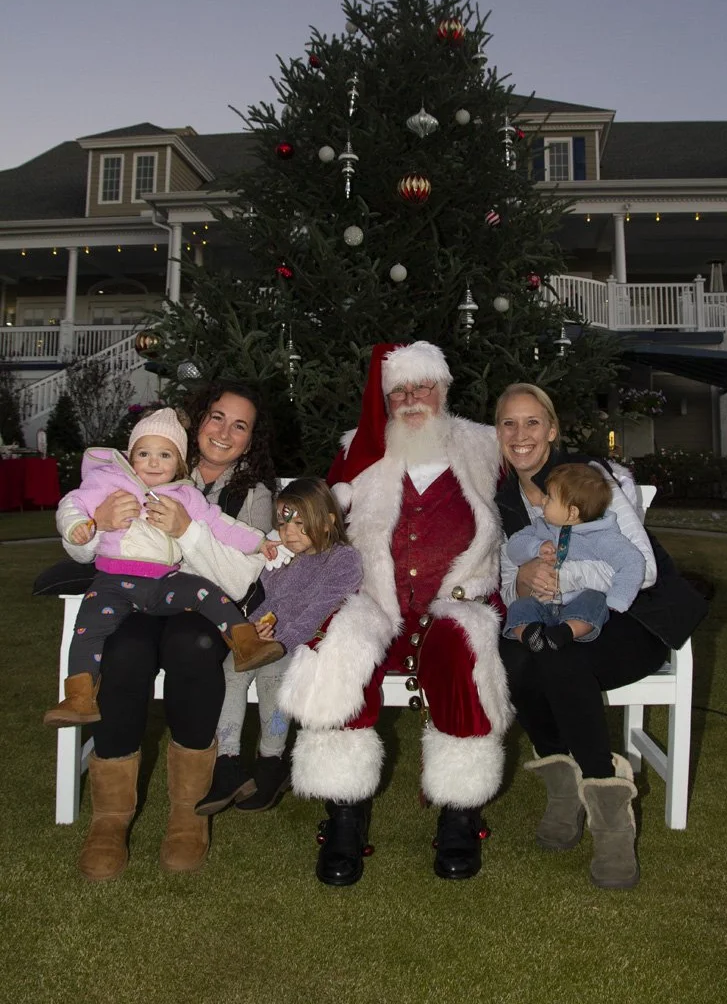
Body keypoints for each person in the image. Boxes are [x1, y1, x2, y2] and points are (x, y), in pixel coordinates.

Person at [278, 341, 510, 887]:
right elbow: (317, 520)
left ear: (443, 389)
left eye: (422, 386)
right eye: (399, 390)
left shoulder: (484, 446)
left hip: (456, 601)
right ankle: (343, 814)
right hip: (375, 598)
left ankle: (460, 813)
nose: (411, 398)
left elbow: (537, 492)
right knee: (339, 648)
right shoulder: (360, 452)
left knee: (463, 652)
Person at [55, 381, 277, 880]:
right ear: (196, 422)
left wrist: (187, 531)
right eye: (217, 417)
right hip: (129, 599)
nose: (224, 432)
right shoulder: (143, 465)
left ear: (250, 438)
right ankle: (110, 820)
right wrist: (95, 528)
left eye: (240, 425)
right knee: (125, 653)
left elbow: (241, 576)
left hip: (198, 611)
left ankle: (186, 816)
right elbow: (86, 539)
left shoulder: (254, 493)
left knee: (194, 648)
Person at [495, 382, 706, 891]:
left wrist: (565, 577)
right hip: (551, 617)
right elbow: (505, 576)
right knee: (513, 657)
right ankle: (564, 789)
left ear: (551, 429)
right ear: (497, 433)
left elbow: (644, 569)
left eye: (532, 422)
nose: (520, 435)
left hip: (633, 616)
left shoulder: (591, 478)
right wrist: (524, 579)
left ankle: (611, 822)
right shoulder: (499, 498)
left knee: (561, 661)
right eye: (508, 423)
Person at [46, 409, 279, 728]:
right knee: (88, 627)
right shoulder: (109, 483)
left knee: (206, 593)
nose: (153, 462)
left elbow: (219, 524)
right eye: (144, 453)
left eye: (164, 454)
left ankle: (245, 642)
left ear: (180, 464)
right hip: (112, 581)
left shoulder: (185, 495)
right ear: (130, 457)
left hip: (162, 582)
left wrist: (256, 542)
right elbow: (73, 503)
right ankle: (79, 696)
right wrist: (83, 525)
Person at [196, 477, 363, 816]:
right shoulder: (284, 559)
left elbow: (318, 611)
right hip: (270, 639)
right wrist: (253, 627)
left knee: (275, 677)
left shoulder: (342, 560)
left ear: (329, 521)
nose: (289, 532)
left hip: (309, 643)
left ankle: (271, 762)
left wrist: (281, 644)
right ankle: (227, 761)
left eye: (301, 524)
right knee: (231, 670)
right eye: (284, 522)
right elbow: (268, 602)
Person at [503, 461, 646, 652]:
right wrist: (535, 547)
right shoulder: (541, 528)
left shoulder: (602, 537)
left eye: (550, 498)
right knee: (520, 606)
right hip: (541, 602)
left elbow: (633, 562)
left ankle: (566, 632)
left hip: (577, 603)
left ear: (572, 512)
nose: (543, 501)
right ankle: (529, 634)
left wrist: (618, 598)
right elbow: (513, 546)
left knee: (594, 600)